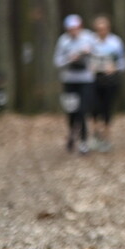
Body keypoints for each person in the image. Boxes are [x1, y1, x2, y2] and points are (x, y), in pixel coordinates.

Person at [53, 14, 97, 155]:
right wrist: (70, 58)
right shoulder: (63, 41)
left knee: (82, 111)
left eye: (75, 28)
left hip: (86, 80)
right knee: (72, 112)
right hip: (69, 81)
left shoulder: (89, 37)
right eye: (70, 28)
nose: (73, 31)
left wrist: (88, 53)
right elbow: (57, 61)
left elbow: (98, 54)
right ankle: (72, 133)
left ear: (80, 26)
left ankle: (84, 142)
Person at [88, 14, 125, 152]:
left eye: (104, 28)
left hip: (111, 80)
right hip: (94, 80)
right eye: (98, 29)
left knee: (107, 109)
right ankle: (95, 135)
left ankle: (106, 138)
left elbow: (124, 62)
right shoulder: (91, 42)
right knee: (94, 108)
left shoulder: (115, 42)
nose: (101, 31)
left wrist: (114, 68)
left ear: (108, 28)